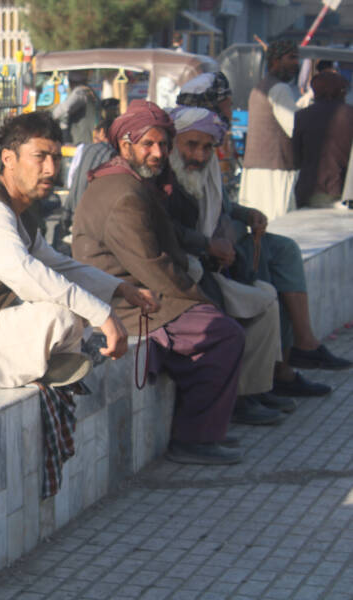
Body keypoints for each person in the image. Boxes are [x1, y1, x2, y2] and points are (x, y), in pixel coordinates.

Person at [0, 111, 158, 390]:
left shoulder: (19, 212)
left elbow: (58, 265)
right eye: (40, 157)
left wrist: (121, 289)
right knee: (62, 316)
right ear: (8, 159)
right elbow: (28, 275)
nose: (51, 169)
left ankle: (42, 364)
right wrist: (103, 315)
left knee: (72, 310)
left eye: (56, 158)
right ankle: (2, 372)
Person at [72, 100, 245, 465]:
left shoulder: (129, 182)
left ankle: (200, 430)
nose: (159, 152)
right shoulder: (124, 194)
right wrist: (196, 301)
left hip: (139, 293)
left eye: (164, 145)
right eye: (148, 144)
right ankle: (194, 440)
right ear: (126, 145)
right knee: (225, 333)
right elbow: (151, 266)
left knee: (215, 328)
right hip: (130, 302)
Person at [165, 106, 295, 422]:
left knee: (265, 296)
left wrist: (243, 217)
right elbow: (168, 231)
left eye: (207, 146)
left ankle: (252, 391)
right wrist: (209, 246)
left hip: (203, 267)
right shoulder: (164, 180)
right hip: (175, 277)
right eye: (191, 145)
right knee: (242, 311)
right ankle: (236, 400)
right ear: (174, 143)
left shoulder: (202, 174)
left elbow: (219, 209)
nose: (199, 154)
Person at [238, 40, 301, 221]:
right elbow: (294, 128)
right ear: (276, 60)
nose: (296, 63)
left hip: (257, 169)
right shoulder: (279, 89)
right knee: (277, 226)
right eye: (291, 58)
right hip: (275, 170)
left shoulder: (260, 87)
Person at [293, 71, 353, 209]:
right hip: (344, 192)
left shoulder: (302, 116)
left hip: (310, 191)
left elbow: (295, 159)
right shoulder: (350, 115)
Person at [51, 71, 99, 145]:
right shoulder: (90, 91)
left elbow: (63, 110)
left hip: (81, 141)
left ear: (71, 82)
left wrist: (50, 117)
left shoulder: (80, 92)